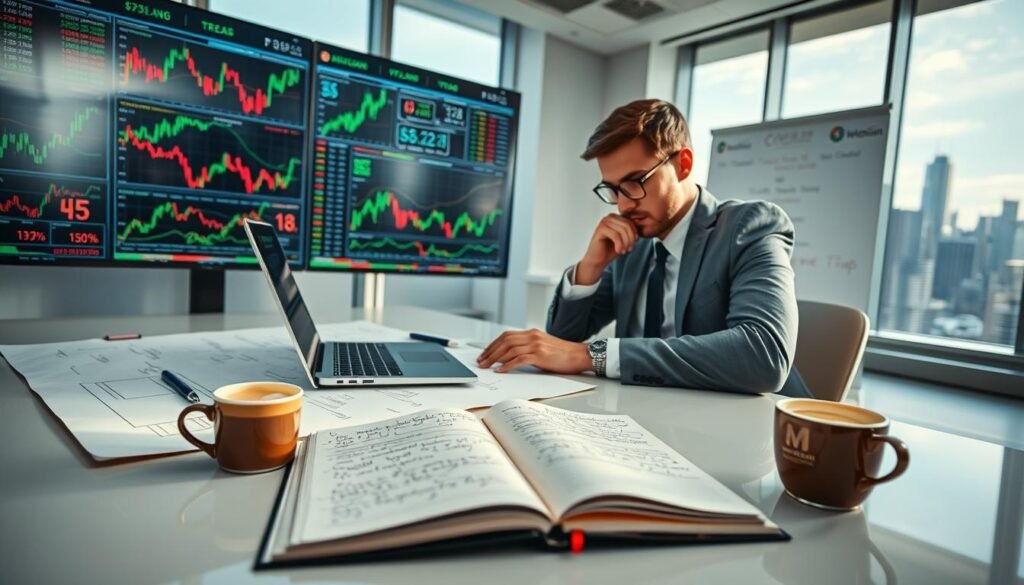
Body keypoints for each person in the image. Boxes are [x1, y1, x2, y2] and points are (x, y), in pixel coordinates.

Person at [477, 99, 808, 396]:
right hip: (646, 417)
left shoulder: (748, 227)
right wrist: (590, 266)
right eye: (613, 189)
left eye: (635, 183)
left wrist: (594, 356)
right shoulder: (634, 243)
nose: (622, 205)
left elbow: (764, 354)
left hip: (761, 437)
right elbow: (563, 341)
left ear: (683, 164)